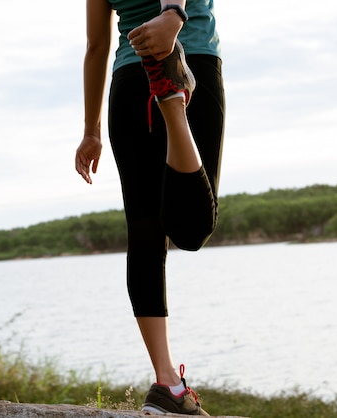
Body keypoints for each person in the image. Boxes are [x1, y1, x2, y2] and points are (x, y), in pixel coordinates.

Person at [74, 0, 224, 415]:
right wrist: (174, 15)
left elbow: (96, 47)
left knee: (144, 234)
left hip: (129, 79)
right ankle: (173, 106)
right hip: (189, 59)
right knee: (193, 230)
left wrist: (90, 131)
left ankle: (167, 383)